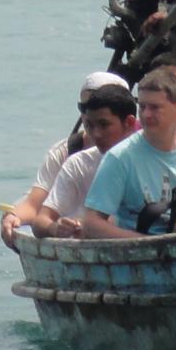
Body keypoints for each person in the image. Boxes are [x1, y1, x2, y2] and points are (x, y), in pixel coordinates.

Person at [77, 69, 176, 238]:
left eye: (155, 107)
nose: (146, 115)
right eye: (142, 107)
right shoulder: (120, 157)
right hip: (140, 251)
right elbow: (92, 224)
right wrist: (148, 244)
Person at [1, 71, 129, 246]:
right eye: (83, 108)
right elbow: (34, 204)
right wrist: (14, 217)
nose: (88, 113)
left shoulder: (139, 154)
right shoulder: (69, 154)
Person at [37, 84, 142, 236]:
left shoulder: (150, 158)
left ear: (129, 123)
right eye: (89, 126)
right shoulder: (78, 163)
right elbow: (41, 220)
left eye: (104, 125)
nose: (96, 134)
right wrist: (56, 228)